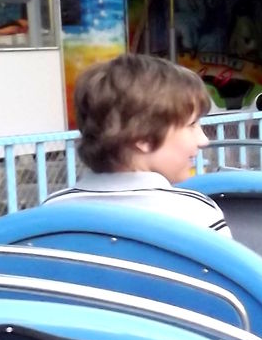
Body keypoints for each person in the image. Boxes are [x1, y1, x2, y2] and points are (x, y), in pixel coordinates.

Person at [43, 54, 229, 234]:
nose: (203, 140)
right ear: (143, 137)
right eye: (192, 125)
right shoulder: (197, 214)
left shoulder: (49, 214)